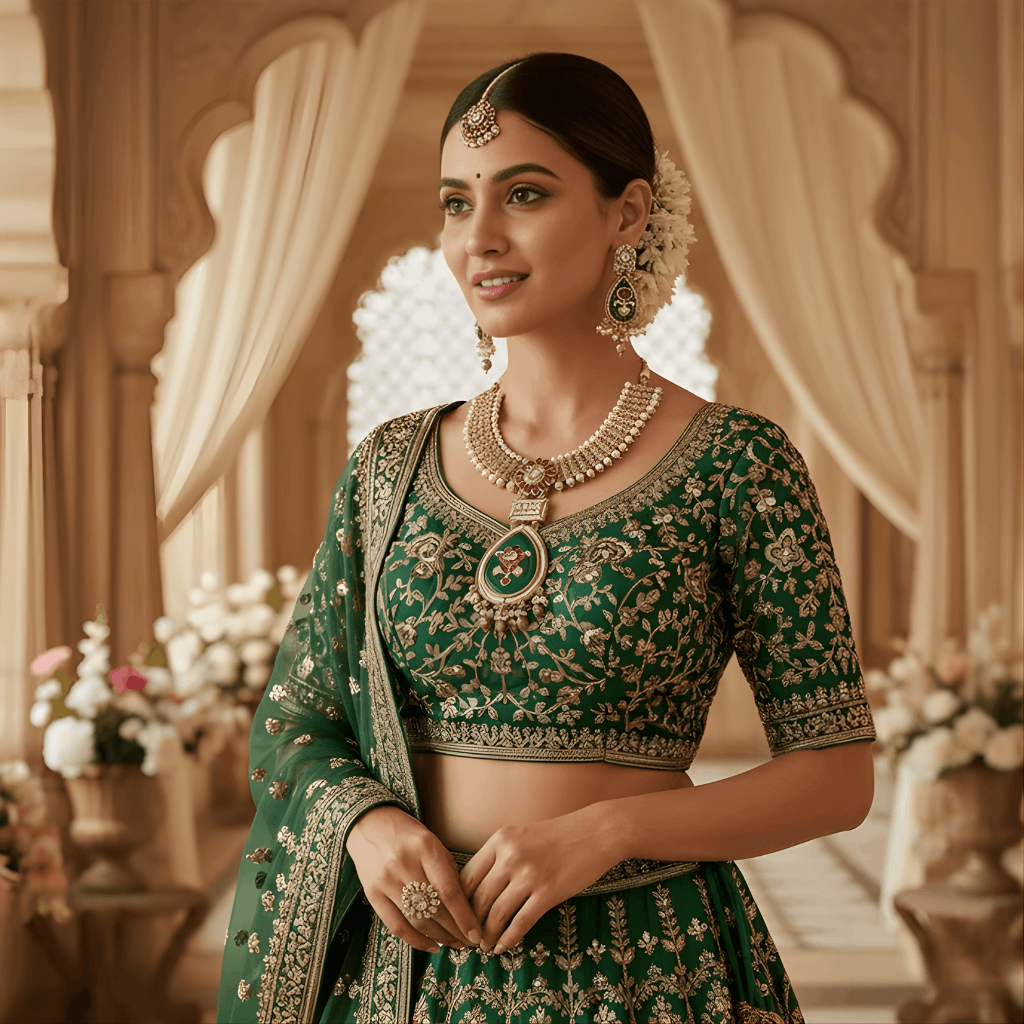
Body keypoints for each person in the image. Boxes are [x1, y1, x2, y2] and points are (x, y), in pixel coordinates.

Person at [217, 53, 877, 1023]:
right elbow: (294, 720)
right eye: (454, 202)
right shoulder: (388, 468)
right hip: (414, 978)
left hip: (644, 964)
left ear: (629, 211)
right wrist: (365, 825)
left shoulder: (738, 465)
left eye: (523, 193)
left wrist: (610, 827)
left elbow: (834, 775)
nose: (478, 237)